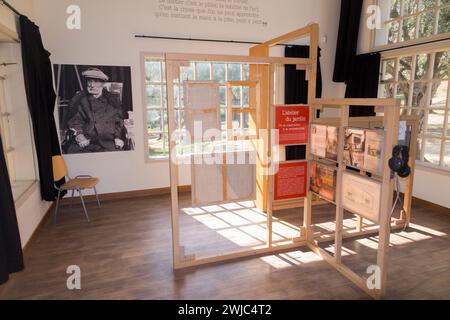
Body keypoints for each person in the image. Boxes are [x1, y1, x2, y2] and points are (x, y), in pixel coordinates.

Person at [66, 68, 126, 153]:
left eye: (96, 81)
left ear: (103, 84)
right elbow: (76, 120)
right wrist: (80, 135)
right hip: (86, 141)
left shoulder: (113, 101)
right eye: (89, 81)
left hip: (107, 141)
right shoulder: (81, 100)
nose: (92, 85)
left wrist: (118, 137)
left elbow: (118, 122)